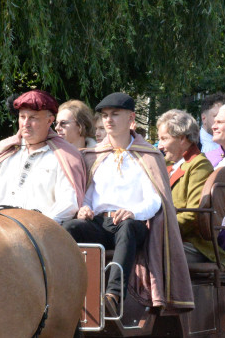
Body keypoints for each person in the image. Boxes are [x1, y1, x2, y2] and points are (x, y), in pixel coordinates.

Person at [67, 92, 192, 315]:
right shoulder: (94, 154)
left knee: (126, 229)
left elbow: (155, 200)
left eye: (115, 114)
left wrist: (132, 212)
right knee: (69, 228)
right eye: (105, 115)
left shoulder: (147, 155)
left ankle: (113, 296)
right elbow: (89, 194)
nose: (108, 120)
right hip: (100, 222)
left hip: (133, 224)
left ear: (131, 118)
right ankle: (63, 291)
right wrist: (84, 208)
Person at [156, 109, 225, 338]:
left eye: (164, 137)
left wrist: (158, 232)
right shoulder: (169, 167)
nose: (159, 144)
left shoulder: (198, 165)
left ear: (182, 138)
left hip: (194, 242)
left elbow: (192, 215)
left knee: (159, 254)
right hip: (169, 236)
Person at [0, 89, 86, 222]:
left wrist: (41, 227)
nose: (26, 123)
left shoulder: (65, 155)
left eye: (33, 118)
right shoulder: (5, 151)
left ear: (49, 121)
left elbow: (68, 203)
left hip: (40, 235)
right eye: (22, 117)